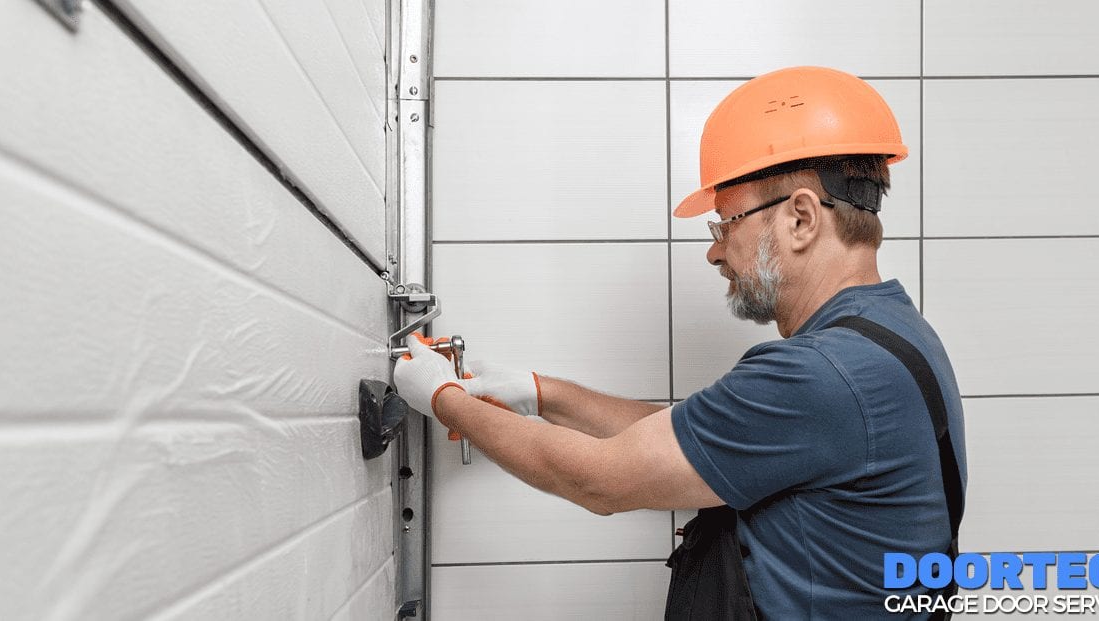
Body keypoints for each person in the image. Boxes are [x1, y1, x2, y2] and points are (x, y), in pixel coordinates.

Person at [394, 66, 967, 619]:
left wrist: (447, 400)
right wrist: (542, 394)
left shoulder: (821, 373)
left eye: (727, 223)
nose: (715, 251)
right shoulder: (891, 335)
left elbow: (598, 479)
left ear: (801, 219)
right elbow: (698, 435)